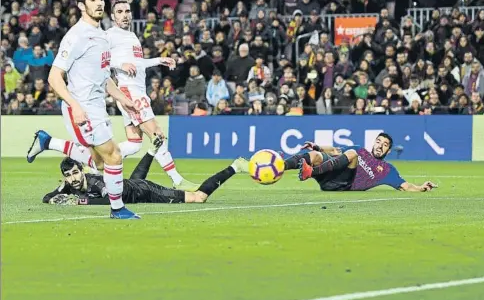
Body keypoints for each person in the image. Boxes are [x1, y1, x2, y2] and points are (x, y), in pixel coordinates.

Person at [40, 0, 139, 219]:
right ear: (81, 6)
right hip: (82, 109)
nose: (99, 3)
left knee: (101, 163)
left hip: (97, 107)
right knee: (114, 155)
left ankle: (48, 142)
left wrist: (123, 99)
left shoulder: (102, 36)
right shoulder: (76, 36)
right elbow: (54, 77)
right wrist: (75, 106)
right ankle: (118, 209)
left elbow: (104, 78)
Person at [106, 0, 198, 192]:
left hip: (136, 90)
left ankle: (96, 159)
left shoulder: (130, 35)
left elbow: (137, 63)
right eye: (120, 11)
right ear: (113, 17)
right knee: (156, 135)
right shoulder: (110, 35)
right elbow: (100, 59)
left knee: (134, 143)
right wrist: (119, 65)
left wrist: (158, 60)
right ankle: (177, 180)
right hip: (129, 92)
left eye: (127, 11)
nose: (125, 15)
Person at [44, 137, 249, 205]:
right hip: (131, 186)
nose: (73, 178)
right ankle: (152, 151)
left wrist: (82, 201)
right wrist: (57, 194)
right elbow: (46, 198)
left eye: (75, 173)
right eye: (68, 176)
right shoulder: (70, 184)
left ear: (82, 169)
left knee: (198, 198)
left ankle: (235, 166)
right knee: (133, 182)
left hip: (145, 191)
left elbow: (109, 200)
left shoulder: (97, 182)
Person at [284, 133, 437, 192]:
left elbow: (405, 187)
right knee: (315, 155)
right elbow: (335, 151)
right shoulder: (360, 149)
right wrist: (318, 146)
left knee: (352, 155)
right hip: (329, 178)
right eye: (378, 142)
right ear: (374, 142)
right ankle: (280, 166)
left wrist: (422, 188)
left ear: (388, 151)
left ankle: (310, 172)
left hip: (344, 186)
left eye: (384, 145)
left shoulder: (387, 170)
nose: (380, 145)